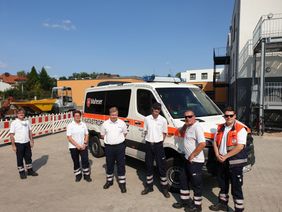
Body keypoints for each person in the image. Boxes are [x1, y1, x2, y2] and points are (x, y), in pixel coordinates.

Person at [209, 106, 249, 212]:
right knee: (222, 184)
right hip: (221, 160)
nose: (229, 117)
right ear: (224, 116)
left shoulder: (240, 129)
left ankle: (238, 209)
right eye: (226, 115)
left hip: (234, 162)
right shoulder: (220, 127)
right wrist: (217, 155)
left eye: (231, 115)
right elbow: (214, 142)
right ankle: (222, 204)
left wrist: (225, 156)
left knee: (236, 187)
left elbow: (240, 146)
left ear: (235, 116)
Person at [172, 110, 206, 212]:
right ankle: (184, 201)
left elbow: (202, 143)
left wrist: (193, 155)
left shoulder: (197, 127)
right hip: (186, 159)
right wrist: (185, 125)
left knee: (196, 184)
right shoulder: (188, 126)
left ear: (194, 116)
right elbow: (181, 132)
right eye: (185, 117)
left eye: (190, 116)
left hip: (195, 161)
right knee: (183, 180)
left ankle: (197, 206)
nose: (187, 118)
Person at [141, 102, 170, 198]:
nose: (156, 110)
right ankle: (149, 186)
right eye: (155, 109)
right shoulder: (147, 119)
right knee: (148, 166)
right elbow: (145, 131)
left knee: (161, 167)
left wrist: (159, 142)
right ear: (152, 109)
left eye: (158, 109)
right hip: (149, 145)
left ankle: (164, 188)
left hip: (158, 145)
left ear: (160, 110)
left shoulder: (163, 120)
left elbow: (164, 133)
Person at [100, 107, 128, 193]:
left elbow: (125, 133)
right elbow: (102, 135)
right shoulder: (105, 124)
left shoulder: (122, 123)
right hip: (109, 147)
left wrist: (117, 140)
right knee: (109, 164)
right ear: (110, 114)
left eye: (115, 114)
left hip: (120, 147)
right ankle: (109, 181)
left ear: (117, 114)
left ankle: (122, 184)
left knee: (121, 165)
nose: (114, 116)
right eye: (112, 115)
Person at [9, 108, 38, 179]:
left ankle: (30, 171)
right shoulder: (14, 123)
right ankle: (22, 172)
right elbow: (11, 134)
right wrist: (13, 145)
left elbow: (30, 132)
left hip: (27, 142)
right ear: (17, 114)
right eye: (19, 113)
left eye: (22, 113)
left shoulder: (27, 122)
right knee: (20, 158)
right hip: (18, 143)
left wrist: (32, 141)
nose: (21, 114)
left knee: (28, 157)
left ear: (24, 114)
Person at [66, 110, 92, 182]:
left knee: (85, 160)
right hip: (73, 147)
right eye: (76, 116)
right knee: (76, 161)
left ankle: (86, 175)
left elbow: (87, 134)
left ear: (80, 116)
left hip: (83, 146)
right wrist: (77, 145)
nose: (77, 117)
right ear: (73, 116)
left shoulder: (83, 124)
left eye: (79, 115)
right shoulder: (70, 125)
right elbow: (69, 137)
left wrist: (85, 143)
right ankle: (78, 175)